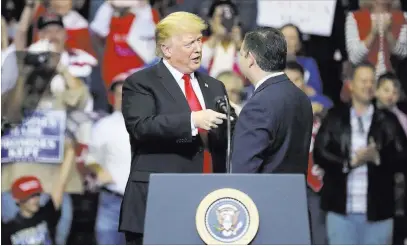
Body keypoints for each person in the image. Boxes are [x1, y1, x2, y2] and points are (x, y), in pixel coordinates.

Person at [120, 11, 235, 244]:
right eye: (189, 43)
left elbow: (229, 134)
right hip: (159, 198)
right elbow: (141, 127)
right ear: (166, 49)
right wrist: (193, 120)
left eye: (199, 41)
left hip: (209, 198)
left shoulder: (214, 86)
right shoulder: (142, 82)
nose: (198, 49)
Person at [313, 62, 407, 245]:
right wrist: (349, 162)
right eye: (363, 81)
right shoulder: (335, 117)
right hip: (340, 212)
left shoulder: (388, 120)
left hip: (379, 213)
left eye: (372, 81)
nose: (368, 86)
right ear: (351, 84)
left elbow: (403, 157)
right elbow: (320, 153)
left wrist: (378, 158)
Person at [231, 26, 313, 174]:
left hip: (262, 196)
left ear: (250, 58)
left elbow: (243, 171)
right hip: (294, 195)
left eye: (241, 53)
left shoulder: (258, 105)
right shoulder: (302, 97)